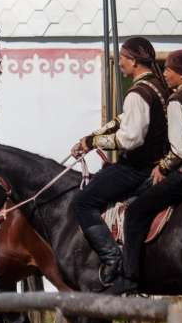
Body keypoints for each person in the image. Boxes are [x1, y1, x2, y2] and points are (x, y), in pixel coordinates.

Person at [112, 49, 182, 295]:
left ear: (180, 74)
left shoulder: (179, 100)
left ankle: (130, 277)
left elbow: (181, 151)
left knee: (136, 211)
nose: (165, 74)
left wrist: (161, 167)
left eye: (168, 70)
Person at [69, 37, 170, 286]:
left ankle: (112, 258)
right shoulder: (157, 86)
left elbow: (130, 138)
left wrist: (93, 143)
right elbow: (123, 119)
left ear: (133, 61)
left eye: (122, 58)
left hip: (138, 168)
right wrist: (91, 137)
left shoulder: (138, 93)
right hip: (156, 162)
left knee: (82, 202)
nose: (120, 63)